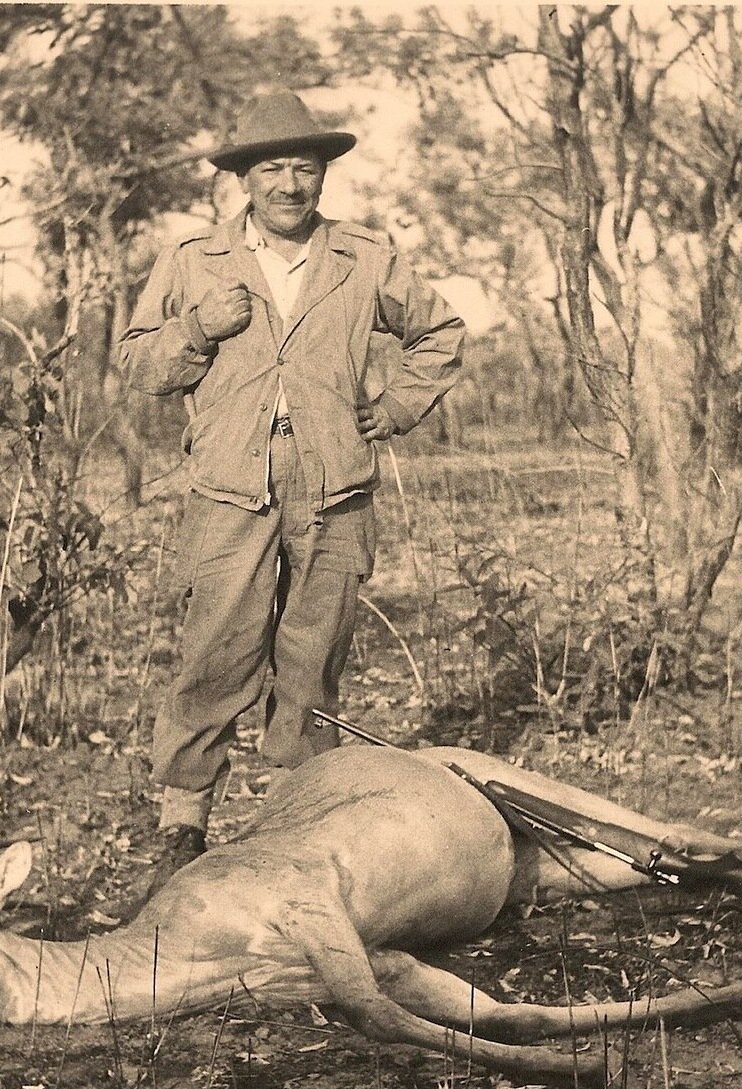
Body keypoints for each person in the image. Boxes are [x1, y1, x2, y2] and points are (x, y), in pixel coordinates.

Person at [121, 90, 465, 892]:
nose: (288, 184)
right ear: (244, 177)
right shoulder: (193, 262)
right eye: (271, 168)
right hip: (229, 489)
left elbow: (441, 332)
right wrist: (198, 328)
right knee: (213, 654)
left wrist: (394, 407)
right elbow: (140, 364)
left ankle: (293, 832)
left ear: (322, 176)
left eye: (303, 169)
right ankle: (182, 829)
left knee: (314, 659)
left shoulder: (364, 256)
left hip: (333, 488)